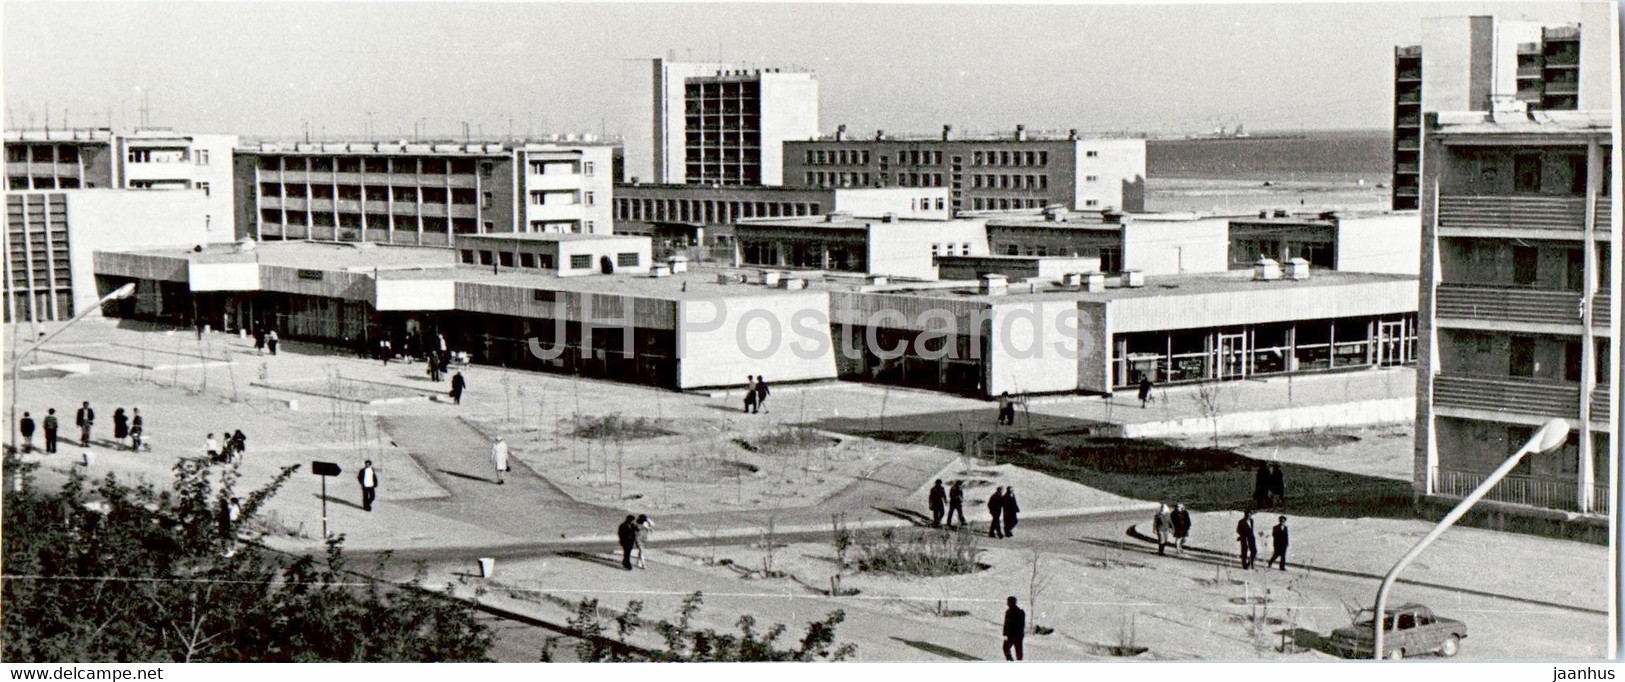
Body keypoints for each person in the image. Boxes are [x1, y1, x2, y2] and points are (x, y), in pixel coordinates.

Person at [1001, 596, 1026, 661]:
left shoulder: (1018, 612)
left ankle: (1012, 660)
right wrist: (1005, 633)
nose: (1007, 603)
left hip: (1015, 635)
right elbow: (1006, 624)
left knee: (1017, 652)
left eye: (1008, 602)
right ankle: (1011, 660)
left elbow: (1020, 625)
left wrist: (1005, 633)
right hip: (1012, 635)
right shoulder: (1009, 611)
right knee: (1014, 650)